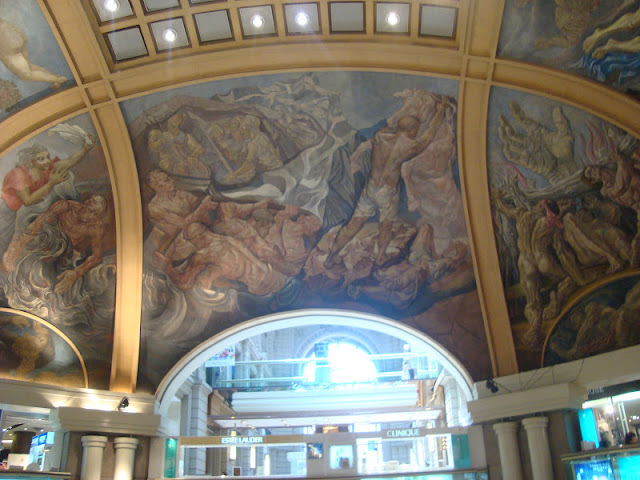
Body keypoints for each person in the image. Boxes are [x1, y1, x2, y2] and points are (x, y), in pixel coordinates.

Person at [325, 101, 446, 267]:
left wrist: (356, 158)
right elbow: (429, 135)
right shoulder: (411, 146)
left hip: (371, 188)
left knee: (354, 224)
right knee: (385, 226)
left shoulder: (380, 136)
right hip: (387, 192)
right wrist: (439, 112)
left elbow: (381, 132)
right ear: (412, 131)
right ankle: (380, 257)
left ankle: (331, 257)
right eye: (416, 130)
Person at [3, 195, 108, 294]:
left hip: (64, 256)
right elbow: (39, 223)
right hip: (46, 242)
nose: (90, 216)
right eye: (89, 210)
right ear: (86, 203)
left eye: (95, 214)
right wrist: (18, 245)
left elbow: (97, 257)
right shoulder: (65, 206)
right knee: (21, 267)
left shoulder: (96, 227)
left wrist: (76, 273)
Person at [154, 222, 288, 296]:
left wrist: (167, 268)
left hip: (259, 290)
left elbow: (185, 284)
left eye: (190, 241)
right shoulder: (227, 238)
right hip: (273, 275)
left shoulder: (203, 254)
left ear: (196, 238)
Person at [583, 138, 640, 267]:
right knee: (636, 245)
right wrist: (620, 160)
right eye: (590, 172)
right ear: (594, 180)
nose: (593, 168)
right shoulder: (606, 190)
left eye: (591, 167)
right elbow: (621, 187)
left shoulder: (622, 166)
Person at [0, 17, 67, 88]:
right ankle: (55, 78)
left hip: (11, 52)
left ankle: (58, 79)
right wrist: (22, 40)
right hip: (18, 45)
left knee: (26, 75)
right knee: (30, 66)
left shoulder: (3, 25)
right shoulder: (4, 23)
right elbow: (16, 30)